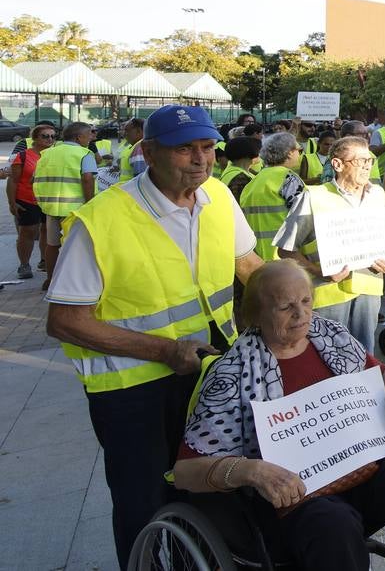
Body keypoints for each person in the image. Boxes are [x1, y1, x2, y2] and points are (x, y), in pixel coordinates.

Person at [46, 104, 262, 569]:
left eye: (208, 147)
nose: (200, 159)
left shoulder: (218, 196)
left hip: (209, 374)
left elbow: (248, 265)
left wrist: (295, 304)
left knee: (209, 487)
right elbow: (64, 321)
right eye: (184, 149)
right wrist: (164, 350)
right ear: (148, 152)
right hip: (131, 392)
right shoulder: (101, 220)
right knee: (142, 502)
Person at [171, 261, 385, 571]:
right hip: (297, 498)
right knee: (333, 525)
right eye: (285, 306)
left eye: (306, 301)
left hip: (364, 472)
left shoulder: (329, 335)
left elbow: (381, 372)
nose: (301, 313)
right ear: (256, 314)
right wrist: (252, 471)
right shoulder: (232, 374)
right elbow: (185, 471)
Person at [275, 136, 385, 353]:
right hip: (328, 295)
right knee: (327, 358)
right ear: (337, 164)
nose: (367, 166)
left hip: (368, 291)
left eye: (369, 160)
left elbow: (383, 239)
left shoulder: (377, 194)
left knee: (363, 357)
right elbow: (285, 250)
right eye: (359, 161)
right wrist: (318, 271)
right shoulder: (314, 196)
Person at [33, 121, 97, 285]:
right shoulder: (85, 154)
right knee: (77, 247)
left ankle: (50, 279)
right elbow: (87, 179)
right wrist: (90, 205)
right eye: (88, 134)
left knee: (52, 245)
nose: (91, 137)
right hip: (76, 210)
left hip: (51, 208)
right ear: (78, 137)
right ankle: (72, 284)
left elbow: (35, 179)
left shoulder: (47, 153)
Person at [239, 133, 307, 262]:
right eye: (299, 150)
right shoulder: (288, 179)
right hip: (283, 257)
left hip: (257, 257)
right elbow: (305, 218)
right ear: (289, 153)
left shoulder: (252, 182)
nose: (300, 154)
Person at [7, 121, 54, 279]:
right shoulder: (23, 155)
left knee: (47, 231)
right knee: (27, 232)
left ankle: (44, 261)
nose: (49, 139)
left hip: (48, 200)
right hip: (27, 200)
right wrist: (12, 203)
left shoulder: (55, 155)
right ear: (35, 138)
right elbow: (13, 181)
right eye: (45, 136)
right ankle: (24, 264)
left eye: (52, 136)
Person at [220, 136, 261, 202]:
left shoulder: (233, 171)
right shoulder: (240, 179)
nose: (259, 155)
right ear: (248, 154)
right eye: (258, 151)